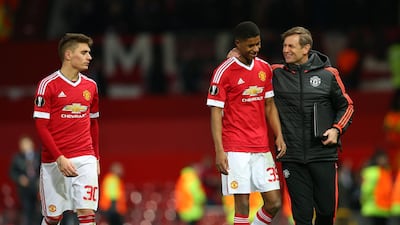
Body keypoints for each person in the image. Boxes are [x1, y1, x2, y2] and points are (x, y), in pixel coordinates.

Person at [272, 27, 354, 225]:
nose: (286, 50)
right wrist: (236, 56)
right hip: (291, 156)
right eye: (284, 46)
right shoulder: (276, 73)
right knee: (302, 216)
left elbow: (347, 106)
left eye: (291, 46)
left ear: (306, 48)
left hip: (323, 153)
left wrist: (336, 129)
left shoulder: (328, 75)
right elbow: (250, 68)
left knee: (326, 213)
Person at [207, 21, 287, 225]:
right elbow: (216, 113)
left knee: (274, 202)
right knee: (241, 206)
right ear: (238, 44)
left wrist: (278, 135)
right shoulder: (223, 72)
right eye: (250, 45)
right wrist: (219, 150)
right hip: (235, 148)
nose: (255, 49)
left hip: (261, 146)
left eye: (258, 44)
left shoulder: (264, 68)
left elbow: (269, 105)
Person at [33, 33, 100, 225]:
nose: (89, 57)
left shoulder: (91, 86)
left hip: (85, 157)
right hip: (54, 160)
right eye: (84, 52)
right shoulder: (47, 85)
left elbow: (94, 123)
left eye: (89, 52)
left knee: (87, 213)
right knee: (54, 218)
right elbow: (41, 126)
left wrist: (96, 157)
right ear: (69, 55)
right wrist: (59, 157)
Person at [9, 134, 41, 225]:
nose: (24, 146)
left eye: (26, 144)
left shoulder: (38, 156)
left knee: (40, 211)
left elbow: (43, 170)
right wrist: (19, 178)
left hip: (37, 188)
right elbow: (12, 173)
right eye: (22, 144)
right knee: (27, 211)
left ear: (32, 144)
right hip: (24, 190)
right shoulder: (16, 158)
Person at [360, 149, 392, 225]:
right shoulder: (374, 171)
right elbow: (365, 190)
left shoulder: (383, 171)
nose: (385, 160)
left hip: (379, 210)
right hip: (375, 210)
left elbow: (365, 190)